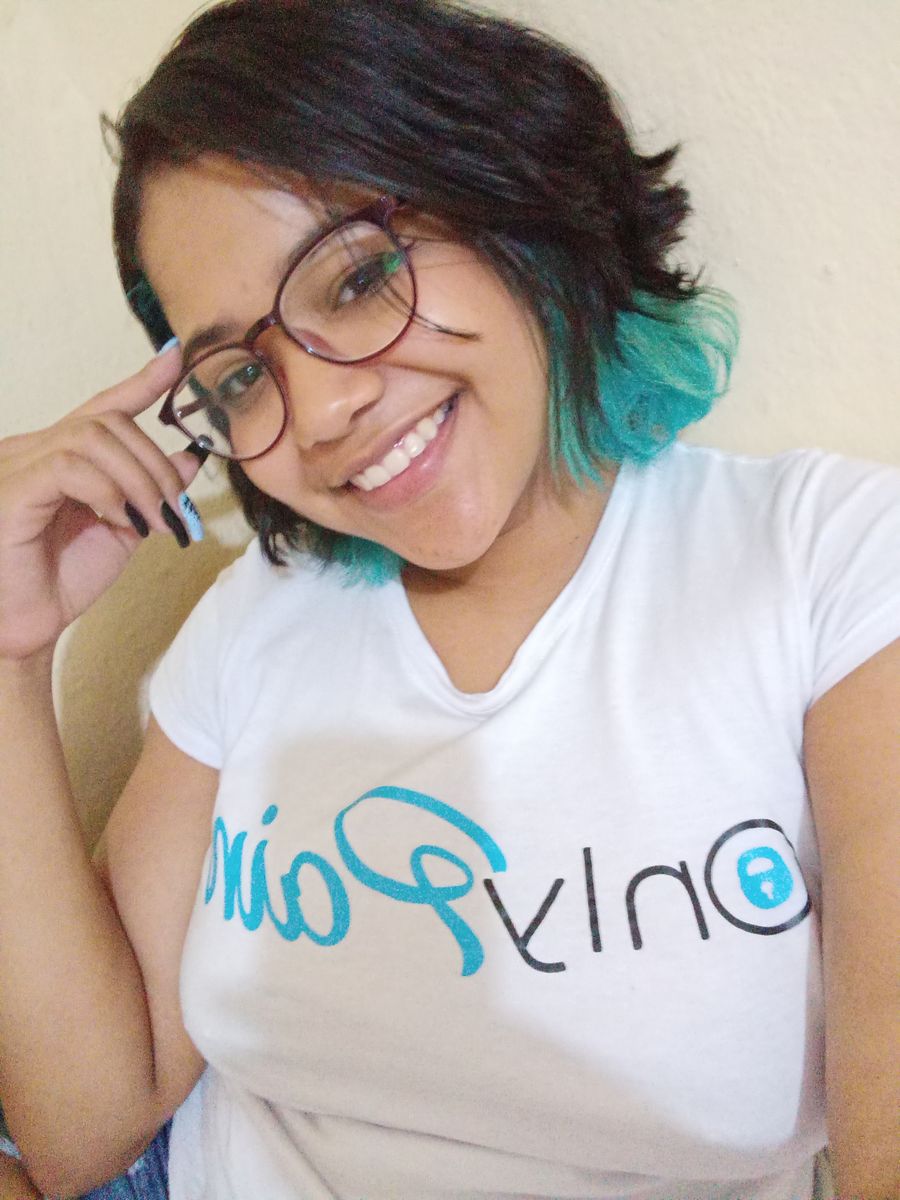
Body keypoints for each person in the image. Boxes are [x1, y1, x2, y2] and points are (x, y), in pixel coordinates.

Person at [0, 1, 897, 1197]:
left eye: (359, 279)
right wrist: (9, 655)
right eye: (242, 374)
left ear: (516, 201)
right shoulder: (262, 611)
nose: (323, 413)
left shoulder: (830, 565)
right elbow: (82, 1129)